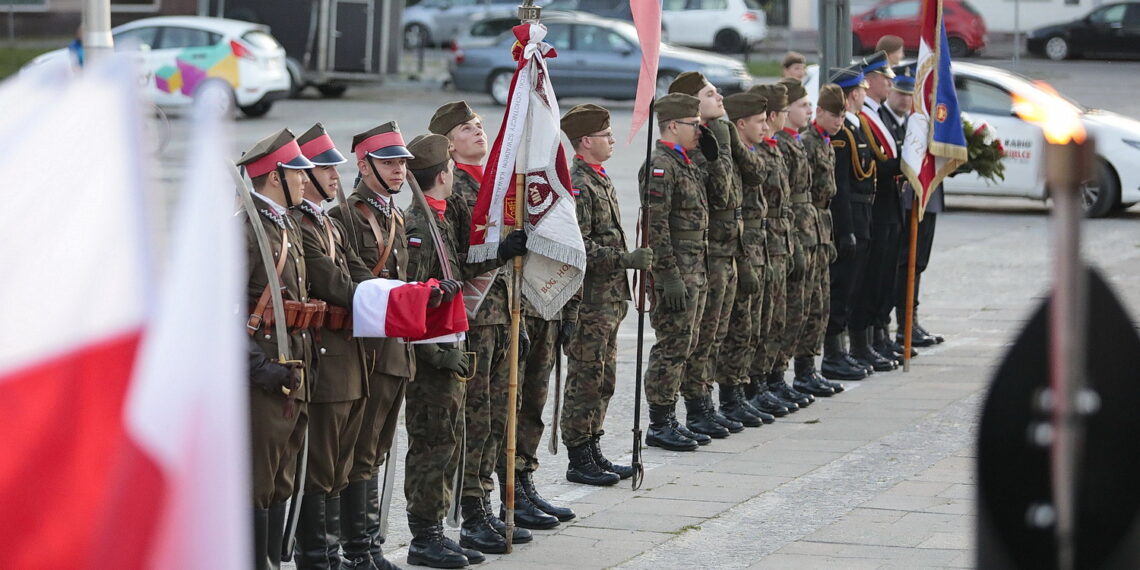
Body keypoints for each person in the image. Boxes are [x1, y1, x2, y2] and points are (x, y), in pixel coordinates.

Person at [427, 101, 543, 550]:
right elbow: (453, 258)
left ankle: (489, 504)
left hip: (504, 314)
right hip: (473, 320)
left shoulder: (498, 184)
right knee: (474, 419)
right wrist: (500, 252)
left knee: (498, 416)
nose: (478, 132)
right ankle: (471, 510)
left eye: (478, 125)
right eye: (466, 128)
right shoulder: (453, 191)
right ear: (447, 146)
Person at [402, 133, 509, 569]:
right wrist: (433, 352)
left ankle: (436, 531)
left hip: (452, 344)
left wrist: (500, 252)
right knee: (431, 442)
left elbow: (459, 269)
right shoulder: (418, 225)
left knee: (448, 440)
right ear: (444, 173)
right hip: (432, 356)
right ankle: (423, 537)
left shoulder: (441, 217)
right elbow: (411, 295)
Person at [290, 124, 387, 569]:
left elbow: (356, 271)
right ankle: (318, 556)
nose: (334, 176)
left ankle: (334, 552)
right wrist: (380, 296)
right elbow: (335, 284)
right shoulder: (302, 226)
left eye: (333, 169)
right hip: (324, 356)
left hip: (349, 353)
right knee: (322, 464)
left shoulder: (327, 223)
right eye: (324, 169)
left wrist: (393, 296)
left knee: (342, 464)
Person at [328, 121, 416, 569]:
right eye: (389, 162)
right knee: (359, 451)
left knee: (377, 448)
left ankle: (367, 544)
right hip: (367, 350)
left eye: (402, 162)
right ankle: (357, 549)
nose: (399, 169)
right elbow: (354, 278)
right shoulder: (346, 215)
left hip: (395, 349)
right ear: (364, 166)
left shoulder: (394, 214)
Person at [559, 104, 654, 484]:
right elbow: (576, 247)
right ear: (585, 141)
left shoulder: (599, 177)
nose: (613, 141)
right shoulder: (579, 184)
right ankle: (578, 455)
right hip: (590, 301)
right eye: (606, 135)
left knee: (604, 378)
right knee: (586, 378)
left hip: (610, 300)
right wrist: (624, 258)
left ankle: (594, 446)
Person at [237, 128, 316, 570]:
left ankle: (270, 560)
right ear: (273, 177)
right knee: (258, 481)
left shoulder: (282, 225)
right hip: (263, 375)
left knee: (281, 476)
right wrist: (256, 365)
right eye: (297, 173)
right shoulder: (248, 230)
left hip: (290, 373)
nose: (305, 180)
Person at [668, 71, 757, 437]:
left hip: (727, 247)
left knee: (718, 333)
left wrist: (730, 139)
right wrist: (718, 146)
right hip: (706, 254)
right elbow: (720, 194)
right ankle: (696, 407)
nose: (719, 96)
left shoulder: (718, 134)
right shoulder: (691, 150)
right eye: (709, 93)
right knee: (701, 337)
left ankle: (709, 403)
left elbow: (753, 176)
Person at [641, 92, 714, 452]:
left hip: (694, 266)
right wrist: (667, 275)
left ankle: (675, 417)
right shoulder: (660, 165)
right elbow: (656, 226)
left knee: (688, 342)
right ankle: (660, 421)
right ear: (673, 125)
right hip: (677, 270)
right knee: (672, 345)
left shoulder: (683, 161)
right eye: (693, 124)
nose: (699, 129)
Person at [718, 90, 779, 424]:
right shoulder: (731, 156)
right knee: (738, 328)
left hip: (757, 244)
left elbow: (760, 174)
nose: (765, 126)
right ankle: (730, 397)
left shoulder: (747, 153)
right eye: (758, 121)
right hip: (736, 247)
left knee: (757, 325)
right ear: (740, 124)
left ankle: (746, 390)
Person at [774, 77, 835, 401]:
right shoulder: (785, 144)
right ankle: (779, 377)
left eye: (809, 104)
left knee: (815, 305)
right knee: (792, 310)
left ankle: (807, 369)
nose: (808, 110)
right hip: (795, 231)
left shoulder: (797, 141)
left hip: (812, 228)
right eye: (801, 105)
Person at [797, 85, 856, 388]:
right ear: (819, 112)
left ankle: (811, 368)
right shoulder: (808, 142)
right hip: (808, 224)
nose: (839, 122)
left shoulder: (825, 141)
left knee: (821, 302)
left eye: (843, 116)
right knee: (806, 304)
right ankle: (802, 372)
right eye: (834, 115)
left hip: (821, 224)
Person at [821, 65, 877, 382]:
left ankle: (843, 351)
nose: (865, 95)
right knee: (841, 287)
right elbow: (840, 186)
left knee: (853, 286)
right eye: (863, 90)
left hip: (862, 212)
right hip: (850, 215)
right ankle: (833, 354)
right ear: (853, 93)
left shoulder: (855, 127)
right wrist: (846, 229)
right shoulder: (842, 135)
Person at [850, 51, 903, 371]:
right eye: (886, 78)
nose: (890, 83)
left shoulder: (877, 115)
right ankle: (864, 340)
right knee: (867, 281)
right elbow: (876, 165)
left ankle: (878, 335)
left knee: (884, 276)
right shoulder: (867, 119)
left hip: (887, 205)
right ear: (868, 82)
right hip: (876, 205)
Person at [890, 64, 945, 348]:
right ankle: (902, 325)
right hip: (905, 202)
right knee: (905, 263)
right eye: (900, 93)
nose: (905, 100)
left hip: (928, 198)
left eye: (909, 94)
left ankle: (911, 321)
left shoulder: (923, 123)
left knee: (918, 263)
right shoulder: (893, 124)